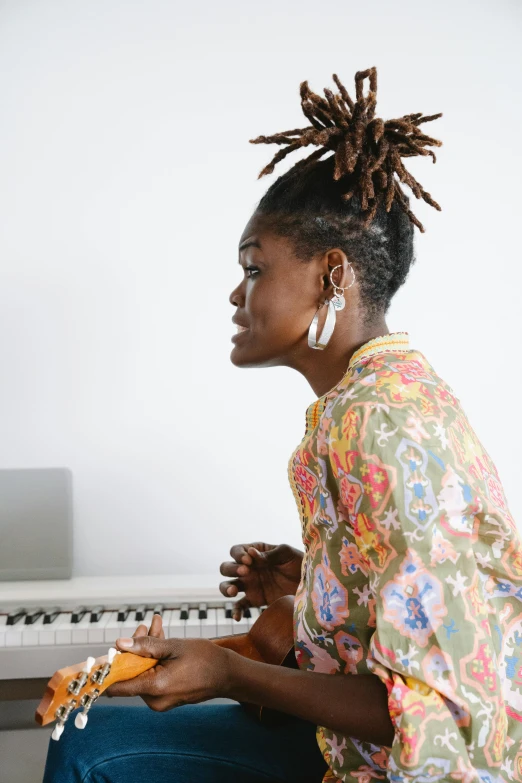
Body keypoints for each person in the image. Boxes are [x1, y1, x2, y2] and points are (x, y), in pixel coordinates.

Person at [43, 67, 522, 783]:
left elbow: (445, 709)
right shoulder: (369, 401)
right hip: (353, 747)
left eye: (254, 267)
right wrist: (320, 593)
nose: (237, 293)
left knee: (86, 752)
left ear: (333, 275)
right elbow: (416, 606)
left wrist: (233, 672)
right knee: (84, 735)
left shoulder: (385, 422)